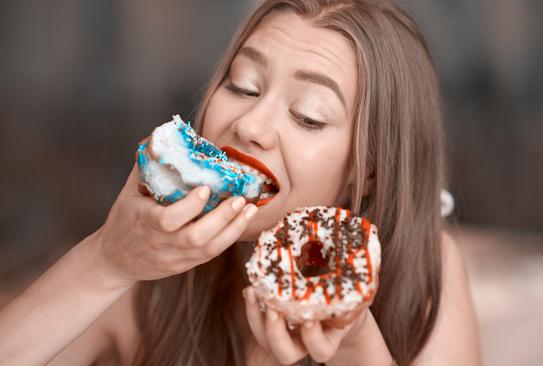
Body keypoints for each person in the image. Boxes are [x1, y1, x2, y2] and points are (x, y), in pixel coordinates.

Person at [0, 0, 480, 364]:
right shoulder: (146, 271)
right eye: (242, 85)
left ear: (369, 168)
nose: (250, 125)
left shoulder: (426, 265)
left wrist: (356, 348)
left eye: (308, 116)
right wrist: (105, 261)